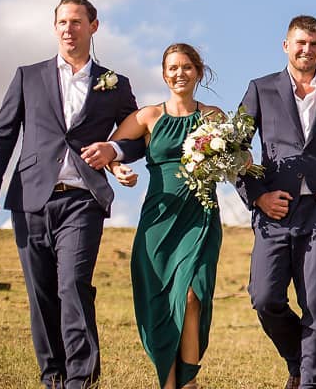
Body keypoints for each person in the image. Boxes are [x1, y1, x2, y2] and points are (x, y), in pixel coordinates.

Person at [0, 0, 143, 389]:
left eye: (77, 22)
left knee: (72, 285)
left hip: (83, 198)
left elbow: (137, 136)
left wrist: (114, 150)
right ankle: (53, 376)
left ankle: (81, 379)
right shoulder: (27, 76)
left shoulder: (115, 84)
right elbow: (2, 136)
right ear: (55, 28)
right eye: (62, 22)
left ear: (93, 27)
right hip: (30, 198)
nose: (69, 29)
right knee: (42, 293)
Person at [236, 15, 316, 389]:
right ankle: (300, 359)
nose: (306, 49)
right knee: (264, 297)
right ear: (286, 46)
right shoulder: (260, 89)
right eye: (300, 43)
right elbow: (232, 149)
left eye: (313, 44)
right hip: (274, 211)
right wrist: (258, 197)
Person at [105, 43, 224, 389]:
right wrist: (118, 170)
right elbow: (112, 149)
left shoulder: (214, 117)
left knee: (192, 296)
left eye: (187, 67)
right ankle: (168, 383)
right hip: (158, 221)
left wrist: (240, 160)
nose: (179, 73)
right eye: (172, 68)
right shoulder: (148, 117)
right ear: (163, 74)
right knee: (160, 303)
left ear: (198, 72)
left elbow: (237, 156)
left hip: (199, 216)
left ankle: (188, 381)